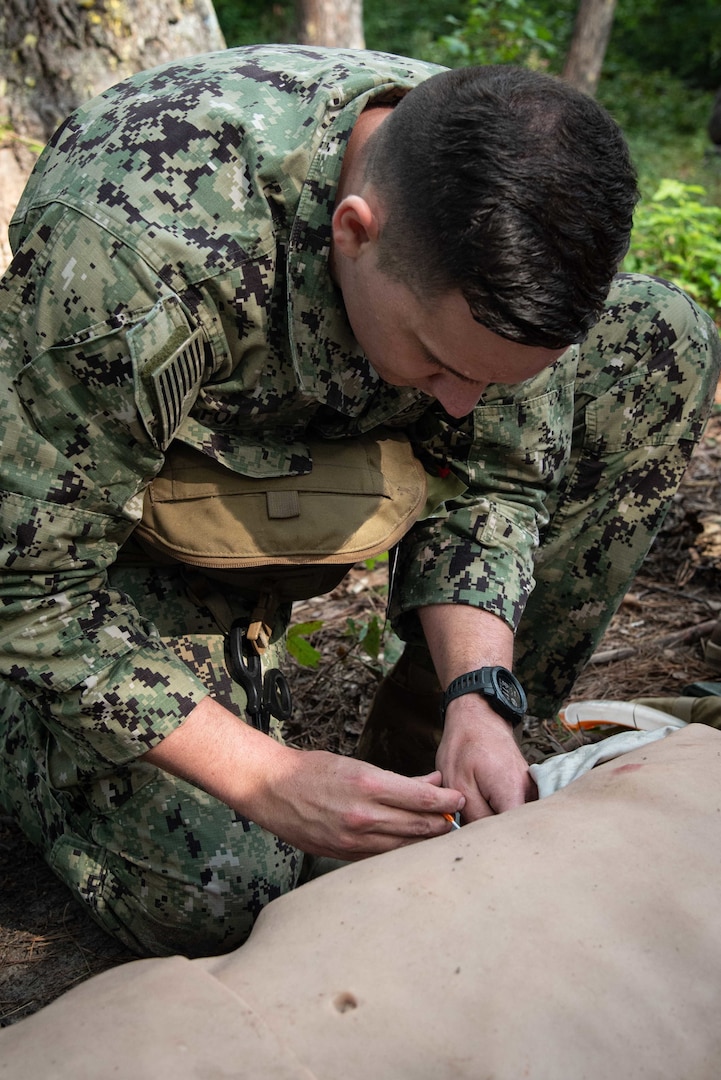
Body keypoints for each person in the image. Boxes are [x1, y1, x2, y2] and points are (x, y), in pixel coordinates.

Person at [0, 45, 718, 958]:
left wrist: (478, 695)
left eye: (491, 380)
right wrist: (264, 779)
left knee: (660, 339)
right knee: (224, 896)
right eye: (442, 365)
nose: (461, 404)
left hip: (320, 458)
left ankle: (428, 756)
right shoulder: (126, 255)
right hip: (140, 522)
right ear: (353, 230)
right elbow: (29, 590)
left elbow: (494, 479)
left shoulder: (508, 234)